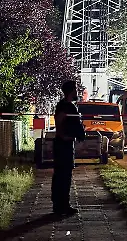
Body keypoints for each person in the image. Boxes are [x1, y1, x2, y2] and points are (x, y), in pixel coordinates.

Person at [52, 79, 86, 215]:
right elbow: (59, 121)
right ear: (71, 91)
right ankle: (61, 205)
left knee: (64, 175)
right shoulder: (65, 106)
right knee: (63, 175)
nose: (77, 92)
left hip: (65, 143)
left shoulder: (67, 106)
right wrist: (63, 136)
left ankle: (61, 205)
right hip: (63, 144)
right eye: (75, 89)